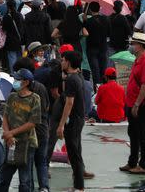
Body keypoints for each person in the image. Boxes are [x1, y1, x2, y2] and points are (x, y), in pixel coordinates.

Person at [0, 68, 41, 192]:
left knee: (25, 181)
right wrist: (8, 134)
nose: (15, 81)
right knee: (3, 178)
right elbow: (5, 116)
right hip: (10, 143)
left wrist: (11, 133)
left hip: (27, 144)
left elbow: (33, 122)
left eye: (17, 79)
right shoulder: (12, 97)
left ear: (26, 82)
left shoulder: (34, 98)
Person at [56, 50, 90, 192]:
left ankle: (79, 187)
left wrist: (61, 125)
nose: (62, 62)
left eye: (63, 60)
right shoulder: (78, 76)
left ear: (68, 62)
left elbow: (69, 103)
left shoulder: (71, 80)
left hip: (73, 121)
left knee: (73, 153)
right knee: (75, 151)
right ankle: (78, 184)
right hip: (79, 119)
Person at [120, 32, 145, 175]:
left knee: (142, 134)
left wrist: (137, 104)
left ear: (139, 46)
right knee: (133, 133)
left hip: (139, 105)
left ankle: (143, 165)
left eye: (133, 44)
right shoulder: (137, 60)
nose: (131, 46)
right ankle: (132, 162)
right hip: (132, 102)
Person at [83, 2, 110, 85]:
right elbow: (109, 33)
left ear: (90, 10)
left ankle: (97, 90)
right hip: (103, 47)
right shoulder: (106, 19)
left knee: (95, 71)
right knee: (103, 69)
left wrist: (84, 21)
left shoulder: (89, 21)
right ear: (99, 8)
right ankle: (105, 87)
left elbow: (85, 33)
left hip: (92, 48)